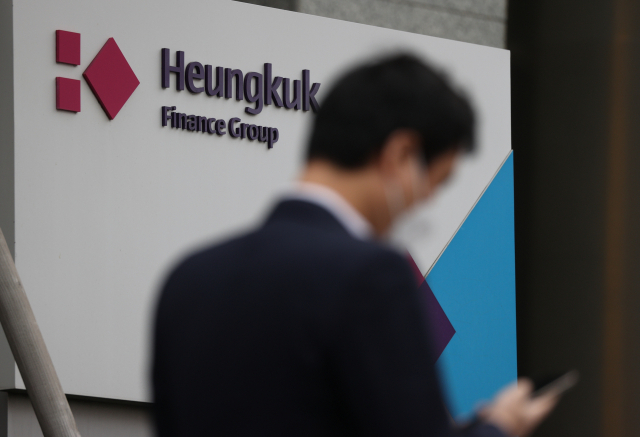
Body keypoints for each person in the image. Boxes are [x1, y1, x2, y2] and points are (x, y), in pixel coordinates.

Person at [152, 54, 558, 436]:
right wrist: (499, 426)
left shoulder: (188, 279)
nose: (426, 200)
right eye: (435, 181)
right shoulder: (372, 276)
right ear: (401, 154)